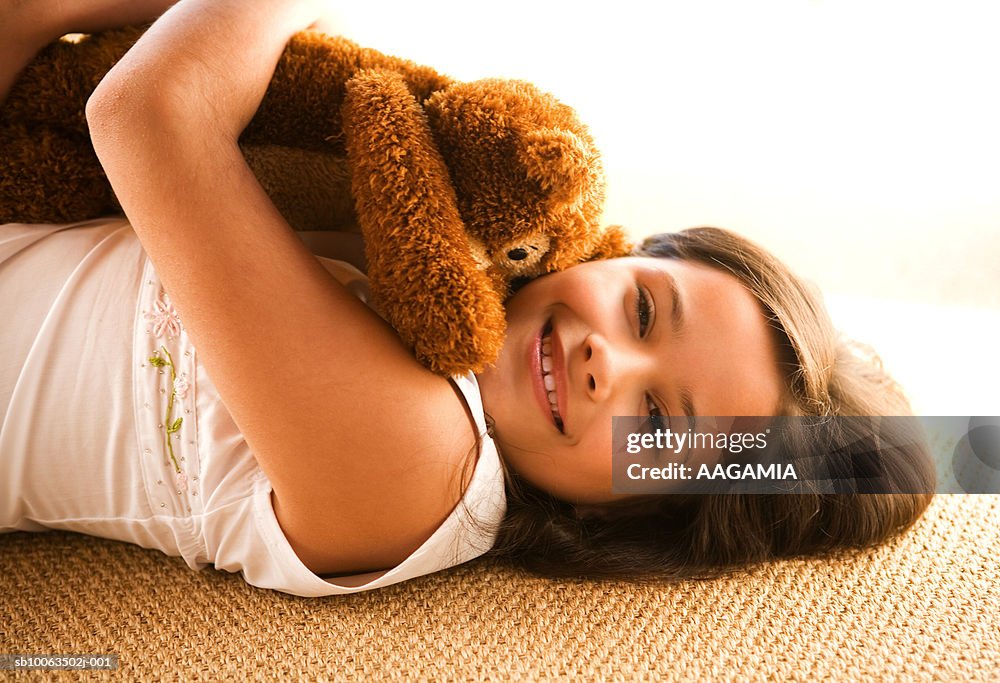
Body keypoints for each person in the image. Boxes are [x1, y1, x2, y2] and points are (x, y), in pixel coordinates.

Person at [1, 0, 934, 597]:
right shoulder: (429, 262)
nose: (611, 357)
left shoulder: (426, 470)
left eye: (656, 418)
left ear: (615, 515)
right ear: (610, 253)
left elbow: (148, 113)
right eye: (643, 310)